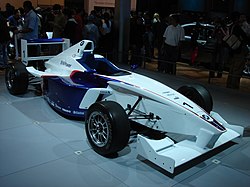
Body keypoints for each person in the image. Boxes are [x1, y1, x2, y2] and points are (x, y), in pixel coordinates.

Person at [226, 12, 250, 89]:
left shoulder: (231, 26)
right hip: (239, 50)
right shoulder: (239, 27)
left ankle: (229, 85)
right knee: (237, 69)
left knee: (232, 68)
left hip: (233, 49)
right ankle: (234, 86)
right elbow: (246, 37)